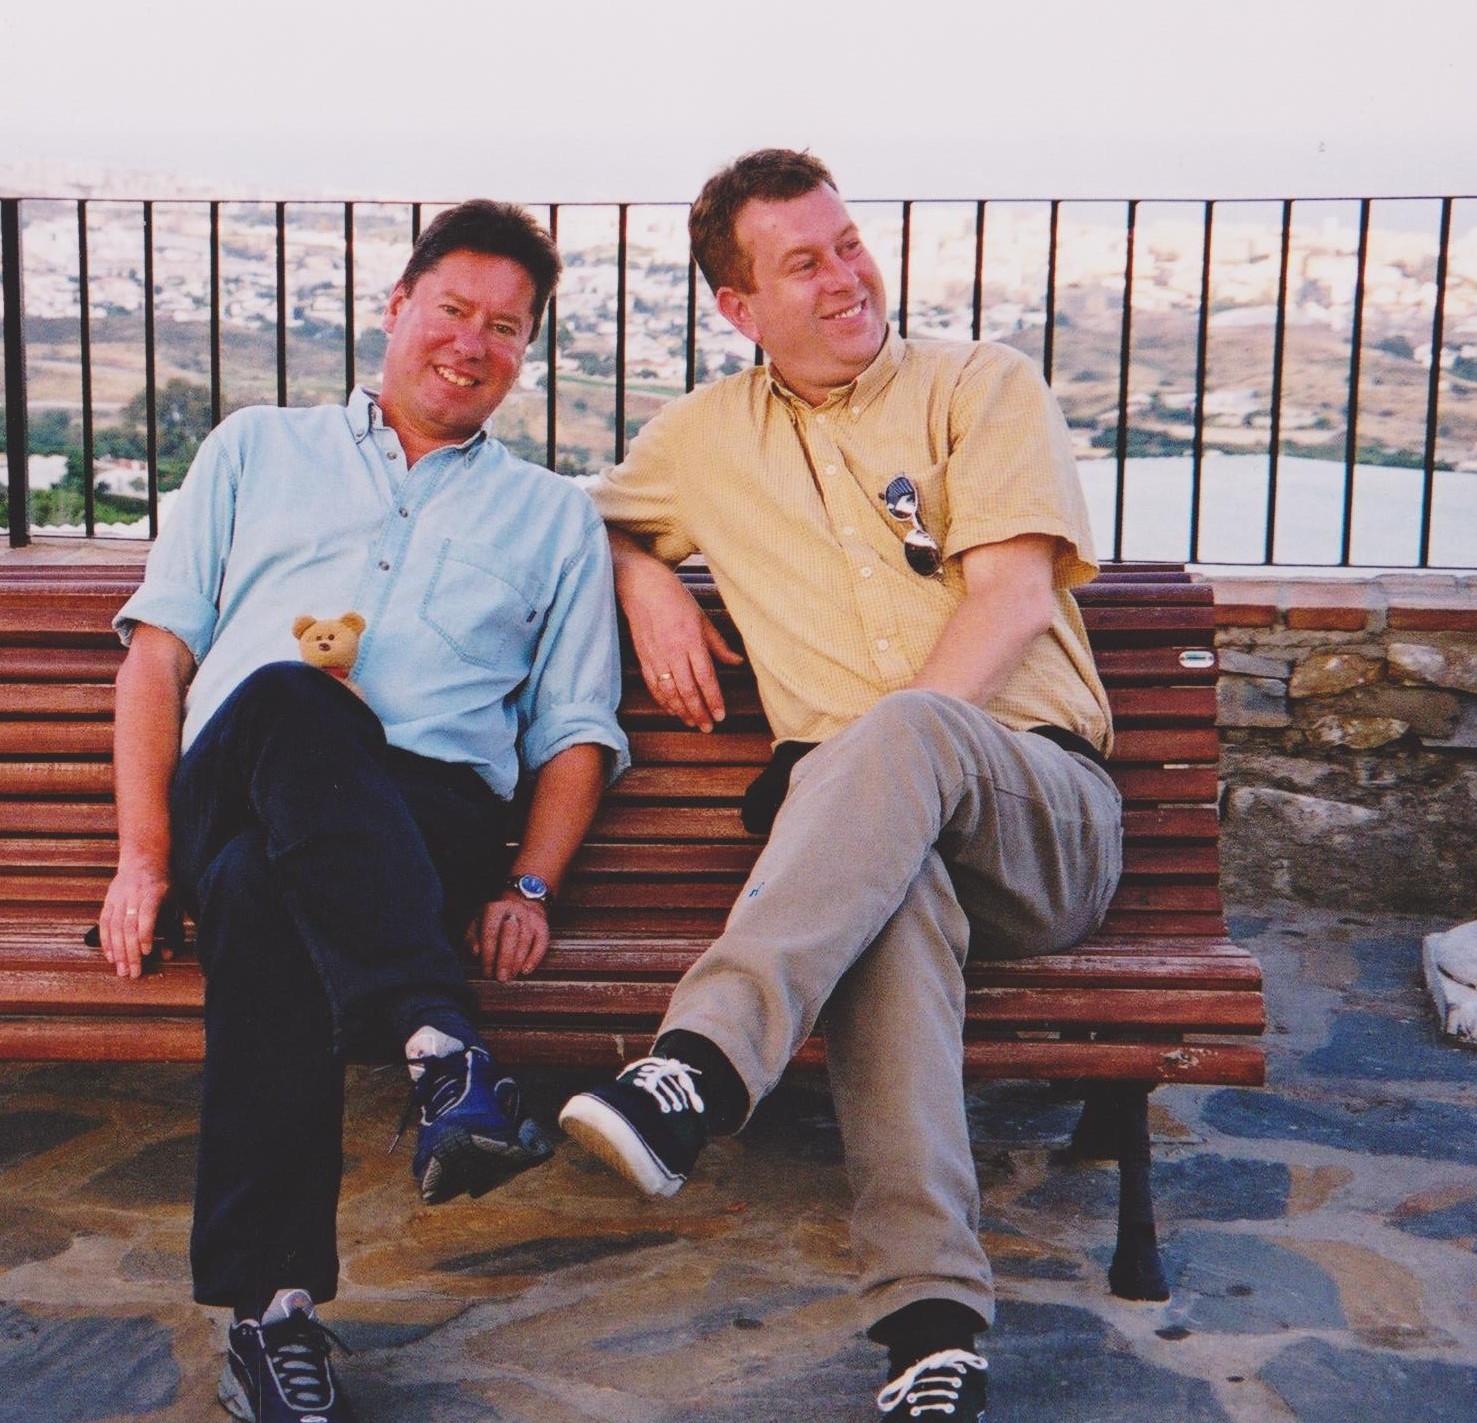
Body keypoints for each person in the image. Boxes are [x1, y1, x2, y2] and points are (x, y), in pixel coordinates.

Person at [558, 150, 1121, 1422]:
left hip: (1038, 808)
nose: (846, 277)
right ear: (738, 306)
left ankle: (698, 1065)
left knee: (902, 739)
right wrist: (641, 574)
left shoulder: (979, 386)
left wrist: (891, 752)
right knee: (889, 894)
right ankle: (931, 1332)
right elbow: (564, 519)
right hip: (869, 850)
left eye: (849, 243)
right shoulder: (702, 441)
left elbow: (1013, 597)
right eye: (803, 263)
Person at [98, 200, 629, 1423]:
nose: (472, 343)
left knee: (260, 895)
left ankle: (270, 1318)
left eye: (506, 327)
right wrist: (141, 858)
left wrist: (531, 883)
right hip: (241, 767)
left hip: (423, 824)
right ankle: (443, 1049)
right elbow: (158, 658)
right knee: (295, 697)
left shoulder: (553, 517)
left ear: (527, 350)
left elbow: (575, 731)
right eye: (453, 309)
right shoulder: (254, 448)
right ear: (396, 308)